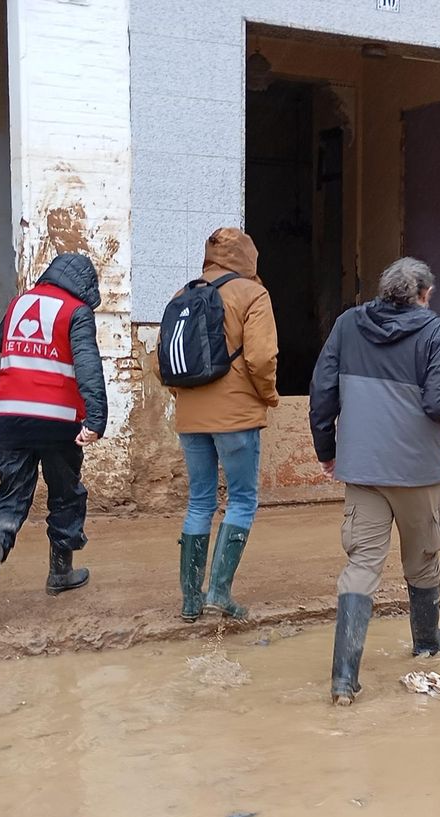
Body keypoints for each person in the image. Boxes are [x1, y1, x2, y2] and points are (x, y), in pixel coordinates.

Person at [309, 257, 440, 706]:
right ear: (422, 294)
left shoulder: (347, 325)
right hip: (417, 470)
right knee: (422, 556)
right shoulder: (437, 333)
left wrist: (327, 451)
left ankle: (343, 680)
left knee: (361, 564)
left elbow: (322, 392)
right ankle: (427, 642)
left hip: (362, 468)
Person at [0, 252, 108, 619]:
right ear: (84, 284)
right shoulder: (75, 311)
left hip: (10, 416)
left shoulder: (19, 304)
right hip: (57, 418)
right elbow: (88, 366)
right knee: (66, 493)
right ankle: (60, 572)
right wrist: (97, 418)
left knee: (12, 495)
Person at [169, 227, 281, 623]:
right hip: (235, 415)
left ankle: (189, 601)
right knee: (242, 499)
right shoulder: (253, 294)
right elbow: (262, 358)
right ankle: (219, 592)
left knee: (199, 500)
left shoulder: (183, 294)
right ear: (249, 258)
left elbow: (163, 360)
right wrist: (267, 396)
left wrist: (183, 398)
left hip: (190, 414)